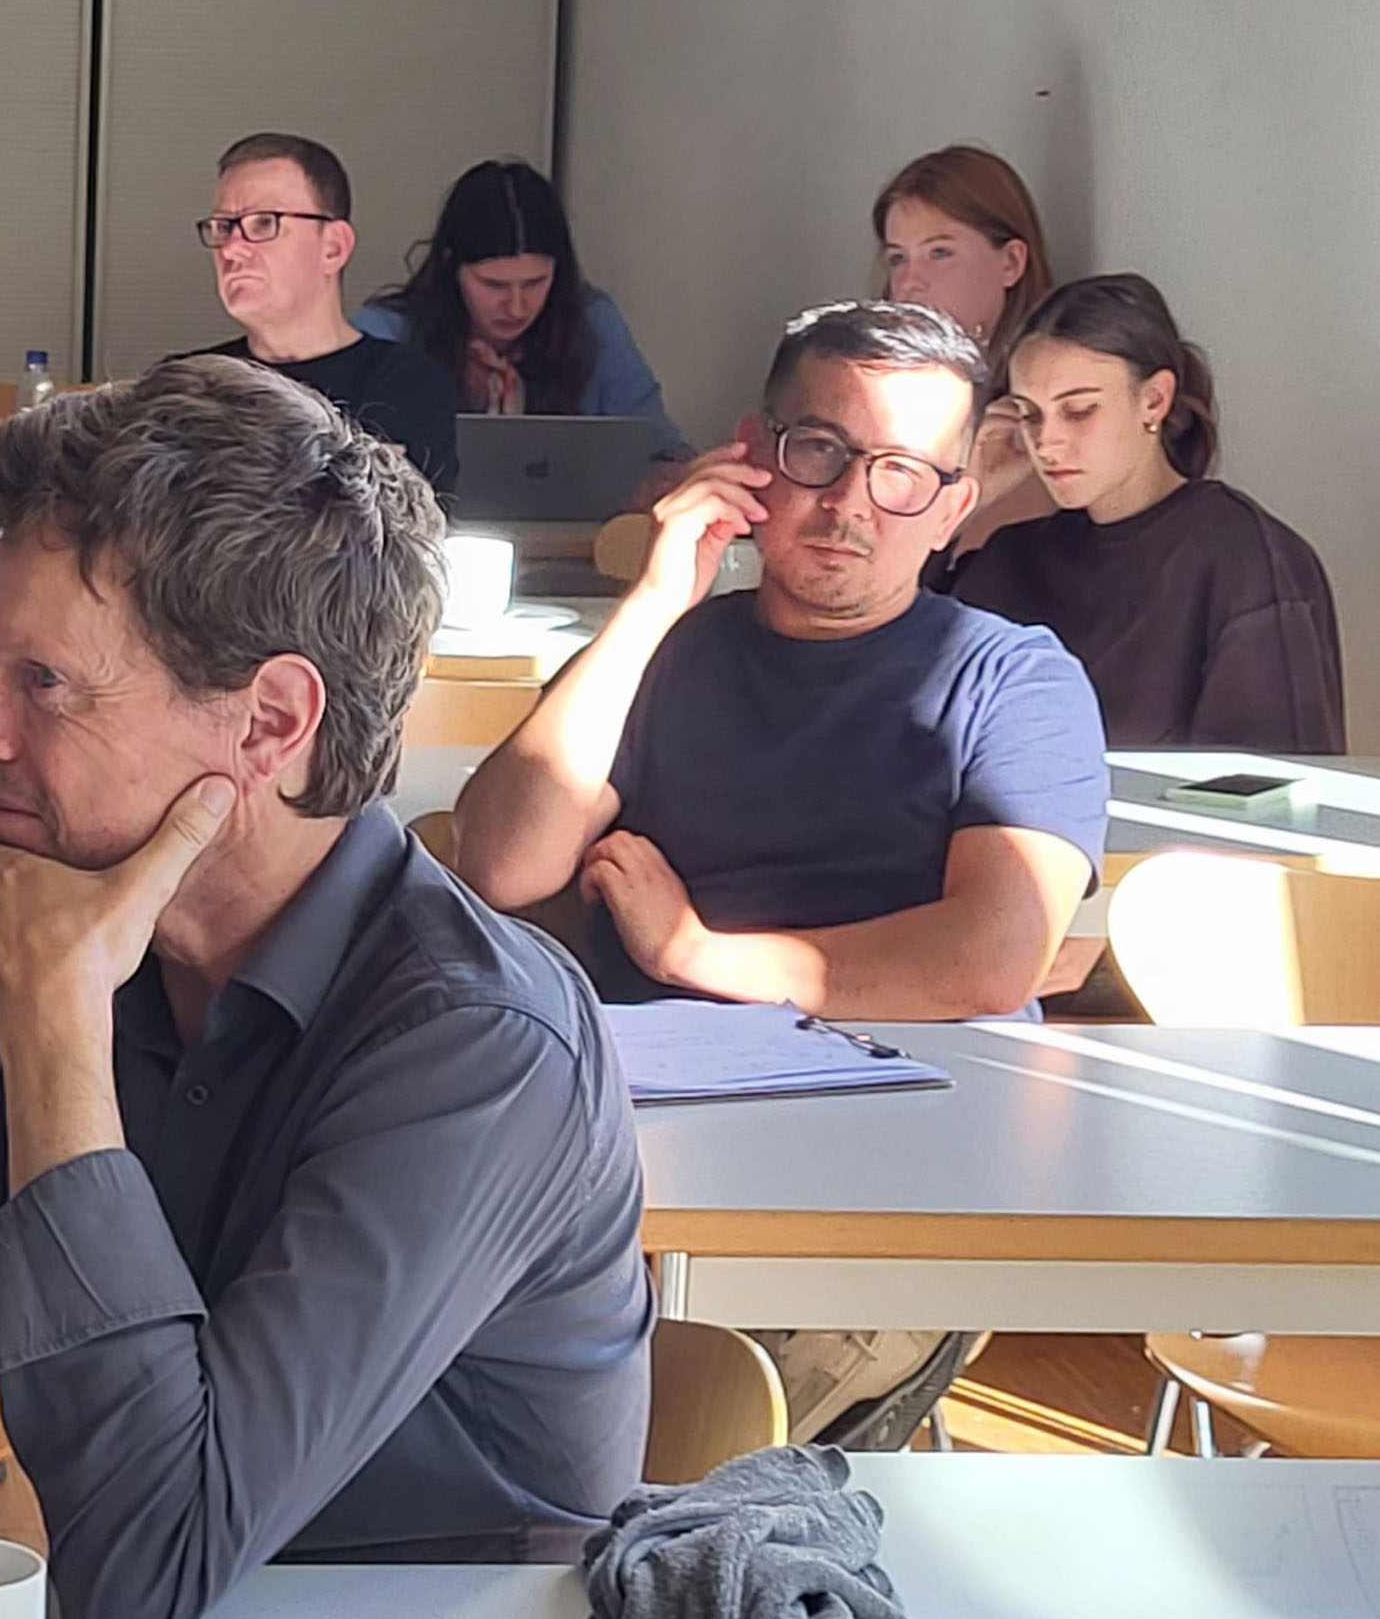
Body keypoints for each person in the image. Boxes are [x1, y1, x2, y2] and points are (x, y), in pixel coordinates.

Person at [0, 356, 650, 1619]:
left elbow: (152, 1562)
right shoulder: (65, 926)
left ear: (267, 720)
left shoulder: (481, 1042)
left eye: (41, 680)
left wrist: (56, 1038)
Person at [450, 300, 1107, 1019]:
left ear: (952, 512)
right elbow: (502, 868)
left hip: (937, 1088)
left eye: (904, 472)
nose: (849, 504)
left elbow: (991, 961)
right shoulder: (661, 654)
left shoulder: (1017, 681)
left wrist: (695, 953)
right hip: (676, 1087)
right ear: (752, 455)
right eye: (820, 449)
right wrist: (653, 602)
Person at [950, 273, 1344, 751]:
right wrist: (962, 495)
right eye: (1029, 414)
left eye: (1078, 411)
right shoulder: (1012, 558)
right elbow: (886, 655)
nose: (1045, 441)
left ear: (1154, 399)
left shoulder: (1246, 561)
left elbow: (1273, 794)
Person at [352, 158, 685, 458]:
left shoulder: (592, 322)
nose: (516, 306)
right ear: (449, 267)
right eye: (493, 285)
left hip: (575, 526)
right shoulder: (386, 334)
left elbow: (656, 443)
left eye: (535, 283)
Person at [183, 132, 456, 493]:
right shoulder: (186, 385)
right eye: (223, 226)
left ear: (334, 248)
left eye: (264, 223)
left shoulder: (409, 385)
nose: (232, 249)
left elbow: (403, 533)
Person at [872, 145, 1056, 555]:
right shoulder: (873, 399)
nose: (910, 283)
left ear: (1010, 262)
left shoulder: (1045, 410)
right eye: (898, 258)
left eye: (940, 252)